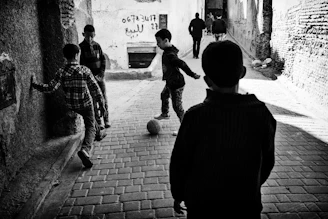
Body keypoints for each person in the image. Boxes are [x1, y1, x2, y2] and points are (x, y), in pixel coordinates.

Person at [170, 40, 276, 218]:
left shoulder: (194, 116)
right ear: (242, 72)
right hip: (245, 206)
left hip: (202, 207)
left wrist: (179, 193)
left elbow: (180, 163)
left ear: (206, 80)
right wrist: (251, 186)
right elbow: (267, 161)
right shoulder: (261, 114)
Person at [31, 44, 108, 168]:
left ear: (65, 56)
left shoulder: (61, 72)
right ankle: (85, 150)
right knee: (90, 126)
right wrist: (102, 103)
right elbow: (96, 89)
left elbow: (50, 88)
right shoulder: (84, 70)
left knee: (92, 122)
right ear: (77, 55)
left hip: (72, 105)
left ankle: (99, 133)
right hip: (86, 104)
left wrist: (34, 84)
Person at [154, 29, 201, 135]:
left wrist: (192, 74)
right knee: (164, 95)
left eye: (158, 41)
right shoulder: (169, 50)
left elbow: (182, 64)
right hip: (170, 82)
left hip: (177, 84)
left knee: (177, 107)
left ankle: (185, 128)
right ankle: (165, 113)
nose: (157, 44)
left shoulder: (170, 54)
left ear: (166, 40)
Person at [79, 24, 110, 129]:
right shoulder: (81, 48)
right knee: (93, 100)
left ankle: (106, 119)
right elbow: (82, 65)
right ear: (83, 34)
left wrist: (101, 73)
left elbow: (103, 59)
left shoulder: (97, 45)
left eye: (92, 36)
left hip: (100, 77)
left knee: (103, 98)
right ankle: (98, 121)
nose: (90, 38)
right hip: (90, 79)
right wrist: (90, 78)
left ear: (95, 35)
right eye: (88, 36)